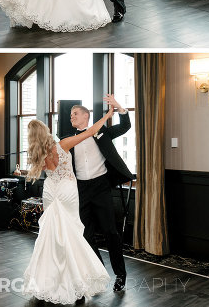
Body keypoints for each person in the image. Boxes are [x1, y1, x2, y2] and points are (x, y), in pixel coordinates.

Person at [22, 105, 115, 304]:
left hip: (50, 190)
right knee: (71, 235)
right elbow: (91, 131)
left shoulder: (39, 154)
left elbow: (38, 172)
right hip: (66, 190)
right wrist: (108, 114)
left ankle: (48, 282)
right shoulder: (63, 144)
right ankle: (77, 284)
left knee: (50, 236)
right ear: (45, 131)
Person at [67, 94, 133, 292]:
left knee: (110, 232)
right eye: (71, 115)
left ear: (86, 116)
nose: (72, 116)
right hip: (81, 189)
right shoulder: (68, 139)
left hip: (101, 187)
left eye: (75, 113)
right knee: (86, 235)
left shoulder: (101, 132)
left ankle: (120, 275)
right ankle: (98, 272)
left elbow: (125, 126)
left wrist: (118, 107)